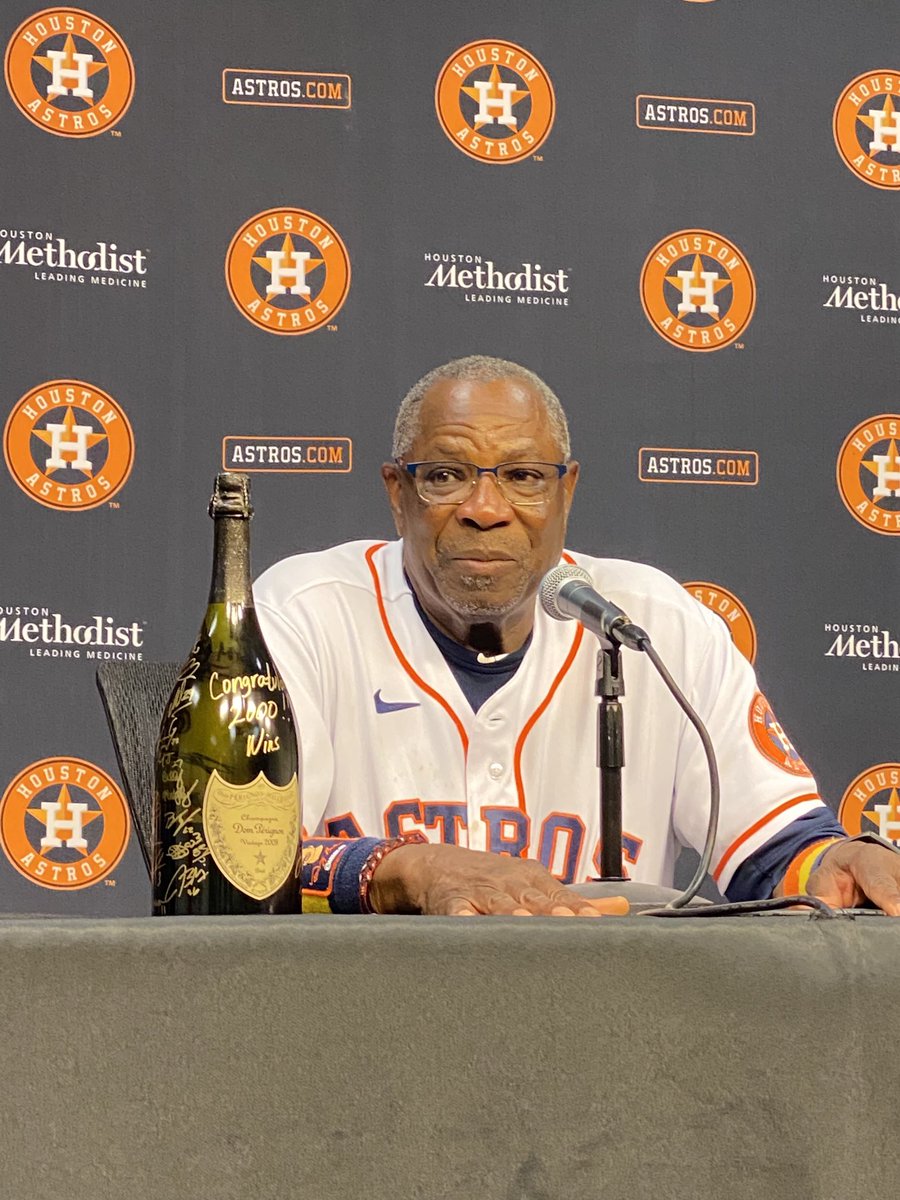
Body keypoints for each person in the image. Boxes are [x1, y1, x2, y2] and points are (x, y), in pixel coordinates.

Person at [255, 355, 900, 916]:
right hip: (368, 1006)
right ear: (398, 493)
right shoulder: (304, 615)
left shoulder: (655, 625)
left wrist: (839, 863)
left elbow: (779, 847)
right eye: (447, 475)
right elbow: (237, 855)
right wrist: (408, 870)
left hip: (607, 1010)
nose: (486, 509)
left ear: (566, 492)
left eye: (524, 477)